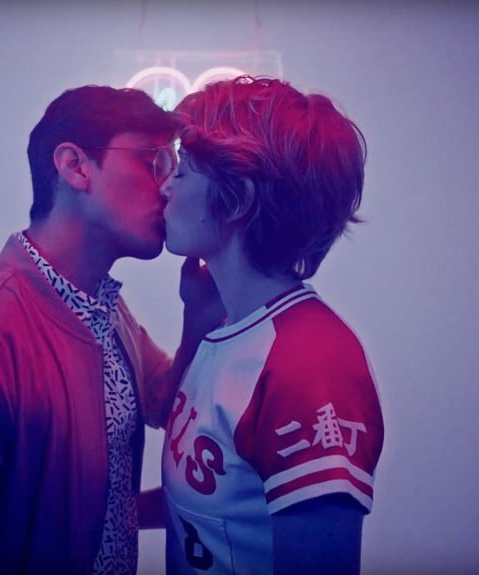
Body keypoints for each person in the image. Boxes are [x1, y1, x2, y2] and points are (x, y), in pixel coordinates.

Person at [0, 85, 223, 575]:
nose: (168, 186)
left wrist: (198, 318)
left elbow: (165, 404)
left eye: (173, 167)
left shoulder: (103, 307)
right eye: (153, 161)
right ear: (75, 166)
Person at [158, 76, 385, 575]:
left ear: (237, 199)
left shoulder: (312, 365)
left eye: (184, 170)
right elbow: (214, 509)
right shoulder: (228, 328)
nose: (165, 186)